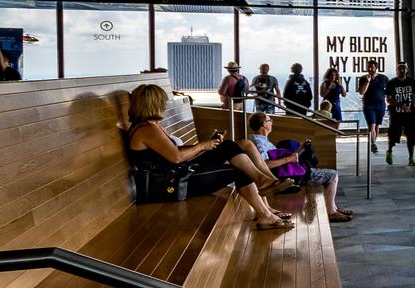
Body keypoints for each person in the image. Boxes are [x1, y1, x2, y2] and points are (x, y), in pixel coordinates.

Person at [124, 84, 293, 230]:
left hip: (178, 174)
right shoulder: (147, 129)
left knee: (228, 146)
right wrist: (202, 146)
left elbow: (173, 152)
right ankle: (264, 213)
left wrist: (207, 144)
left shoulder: (151, 126)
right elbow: (176, 157)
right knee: (238, 171)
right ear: (154, 104)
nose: (165, 105)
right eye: (162, 102)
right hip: (173, 183)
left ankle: (263, 184)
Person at [248, 112, 351, 222]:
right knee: (332, 175)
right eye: (270, 121)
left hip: (289, 171)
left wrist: (300, 149)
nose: (272, 123)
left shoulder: (260, 140)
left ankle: (333, 207)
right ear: (264, 124)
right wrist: (288, 159)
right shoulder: (260, 143)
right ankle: (331, 212)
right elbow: (265, 164)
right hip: (290, 176)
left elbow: (286, 159)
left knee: (328, 172)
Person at [385, 61, 415, 166]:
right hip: (397, 114)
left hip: (410, 114)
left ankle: (411, 158)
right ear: (396, 70)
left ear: (407, 70)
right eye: (399, 68)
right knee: (393, 135)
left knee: (411, 135)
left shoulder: (411, 82)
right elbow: (389, 99)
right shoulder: (391, 83)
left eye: (403, 68)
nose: (402, 70)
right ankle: (389, 151)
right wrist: (402, 106)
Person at [358, 68, 389, 148]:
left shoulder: (384, 78)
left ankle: (373, 142)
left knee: (377, 125)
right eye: (369, 67)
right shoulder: (363, 78)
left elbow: (388, 90)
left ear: (376, 68)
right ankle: (373, 143)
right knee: (372, 124)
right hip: (369, 105)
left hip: (380, 104)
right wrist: (367, 81)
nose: (370, 69)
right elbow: (361, 92)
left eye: (372, 67)